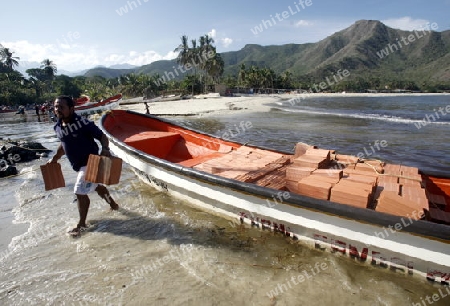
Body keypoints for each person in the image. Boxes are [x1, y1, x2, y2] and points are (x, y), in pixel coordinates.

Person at [49, 95, 119, 236]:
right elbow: (63, 144)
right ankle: (114, 205)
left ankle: (81, 225)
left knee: (79, 192)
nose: (58, 110)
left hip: (91, 162)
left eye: (61, 107)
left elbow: (102, 136)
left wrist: (105, 149)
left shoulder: (82, 123)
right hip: (79, 165)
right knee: (97, 187)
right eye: (56, 107)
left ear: (71, 108)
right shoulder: (57, 126)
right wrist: (55, 158)